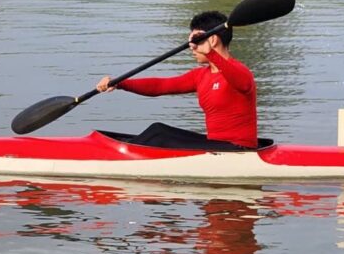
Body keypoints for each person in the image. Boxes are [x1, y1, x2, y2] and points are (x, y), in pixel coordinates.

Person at [95, 10, 258, 150]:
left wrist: (211, 53)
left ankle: (116, 158)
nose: (191, 48)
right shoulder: (200, 75)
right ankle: (121, 150)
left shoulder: (239, 71)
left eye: (196, 42)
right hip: (215, 146)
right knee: (157, 131)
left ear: (213, 40)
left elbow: (243, 83)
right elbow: (160, 86)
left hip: (238, 149)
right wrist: (120, 83)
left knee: (159, 133)